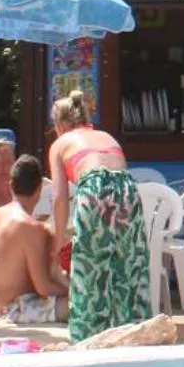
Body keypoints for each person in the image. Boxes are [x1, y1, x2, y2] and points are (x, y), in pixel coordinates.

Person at [47, 89, 149, 341]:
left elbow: (59, 198)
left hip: (94, 188)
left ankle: (88, 339)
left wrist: (57, 242)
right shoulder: (106, 136)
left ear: (59, 125)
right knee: (129, 267)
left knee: (90, 271)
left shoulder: (60, 144)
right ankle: (134, 334)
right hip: (127, 189)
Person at [0, 156, 68, 325]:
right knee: (80, 306)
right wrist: (73, 291)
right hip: (15, 312)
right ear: (39, 189)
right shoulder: (31, 228)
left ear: (11, 186)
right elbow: (44, 288)